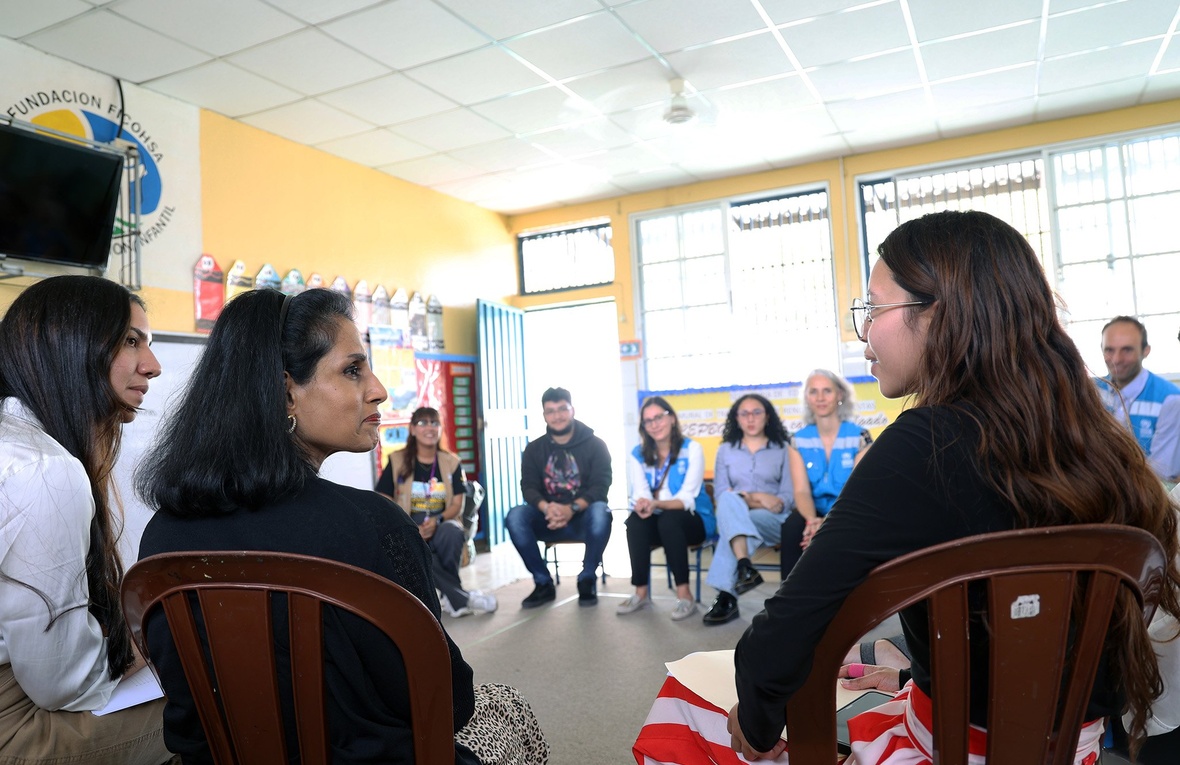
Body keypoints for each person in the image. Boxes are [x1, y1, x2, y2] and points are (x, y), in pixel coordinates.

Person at [727, 210, 1180, 763]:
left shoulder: (924, 443)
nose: (864, 330)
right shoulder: (1096, 435)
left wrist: (756, 730)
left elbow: (777, 644)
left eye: (873, 307)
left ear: (940, 313)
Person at [135, 288, 547, 765]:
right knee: (509, 708)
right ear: (287, 390)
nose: (378, 390)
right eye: (353, 369)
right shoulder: (376, 526)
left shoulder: (163, 538)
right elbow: (449, 704)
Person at [0, 275, 171, 764]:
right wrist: (144, 651)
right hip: (13, 723)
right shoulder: (44, 470)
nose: (153, 366)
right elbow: (64, 684)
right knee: (212, 707)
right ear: (70, 346)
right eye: (130, 341)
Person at [376, 406, 497, 618]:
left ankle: (449, 596)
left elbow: (457, 504)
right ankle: (460, 598)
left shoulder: (451, 462)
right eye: (423, 423)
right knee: (408, 542)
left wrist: (438, 520)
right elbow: (384, 498)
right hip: (409, 524)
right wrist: (408, 526)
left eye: (434, 423)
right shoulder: (397, 460)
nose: (429, 428)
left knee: (452, 532)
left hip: (442, 523)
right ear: (412, 429)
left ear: (440, 429)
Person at [505, 387, 613, 608]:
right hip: (548, 519)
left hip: (584, 520)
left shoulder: (596, 445)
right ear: (544, 415)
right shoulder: (534, 449)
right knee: (515, 516)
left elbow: (600, 487)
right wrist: (547, 508)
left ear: (572, 409)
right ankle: (543, 582)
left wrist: (571, 508)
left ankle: (587, 578)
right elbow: (528, 487)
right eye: (551, 411)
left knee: (602, 511)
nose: (557, 416)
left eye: (562, 409)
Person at [617, 396, 715, 621]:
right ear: (643, 427)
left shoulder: (692, 449)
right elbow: (640, 491)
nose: (654, 424)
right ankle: (640, 592)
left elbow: (686, 498)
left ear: (671, 418)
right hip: (658, 518)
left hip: (693, 520)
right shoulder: (638, 454)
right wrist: (641, 504)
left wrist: (655, 503)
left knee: (670, 519)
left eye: (659, 417)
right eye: (648, 421)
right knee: (634, 521)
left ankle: (685, 595)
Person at [701, 394, 794, 626]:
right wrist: (759, 498)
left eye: (756, 412)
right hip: (739, 513)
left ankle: (727, 594)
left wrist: (750, 498)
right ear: (736, 418)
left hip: (775, 520)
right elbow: (722, 493)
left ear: (767, 417)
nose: (750, 418)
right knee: (730, 503)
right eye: (744, 413)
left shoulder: (784, 449)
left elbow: (787, 498)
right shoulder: (725, 450)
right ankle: (743, 566)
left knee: (732, 516)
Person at [779, 370, 872, 578]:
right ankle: (789, 600)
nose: (820, 398)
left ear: (840, 395)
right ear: (806, 397)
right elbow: (801, 491)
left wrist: (827, 523)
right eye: (814, 392)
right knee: (792, 527)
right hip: (812, 511)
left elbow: (856, 493)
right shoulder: (797, 440)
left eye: (827, 391)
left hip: (848, 510)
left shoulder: (859, 436)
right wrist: (813, 521)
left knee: (845, 533)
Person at [1095, 316, 1180, 483]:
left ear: (1145, 351)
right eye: (1109, 350)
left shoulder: (1170, 399)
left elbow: (1160, 475)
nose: (1117, 359)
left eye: (1127, 350)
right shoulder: (1090, 391)